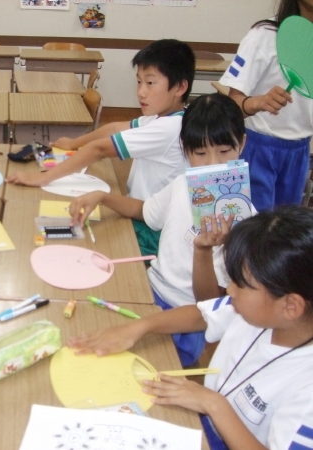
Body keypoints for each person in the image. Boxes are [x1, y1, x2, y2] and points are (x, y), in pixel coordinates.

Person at [69, 206, 313, 450]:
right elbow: (201, 315)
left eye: (240, 284)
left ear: (291, 306)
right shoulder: (261, 311)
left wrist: (214, 404)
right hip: (203, 417)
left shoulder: (307, 392)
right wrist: (138, 327)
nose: (229, 290)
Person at [68, 94, 246, 367]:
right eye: (200, 153)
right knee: (84, 331)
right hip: (149, 291)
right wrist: (102, 197)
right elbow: (145, 211)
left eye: (224, 151)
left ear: (241, 144)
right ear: (185, 149)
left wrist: (203, 249)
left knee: (125, 368)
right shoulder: (182, 184)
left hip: (185, 320)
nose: (213, 164)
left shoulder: (244, 221)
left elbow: (209, 305)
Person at [6, 39, 195, 256]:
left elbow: (100, 150)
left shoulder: (169, 128)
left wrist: (44, 178)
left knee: (77, 243)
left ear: (180, 87)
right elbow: (114, 128)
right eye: (139, 81)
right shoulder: (164, 118)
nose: (141, 92)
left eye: (150, 83)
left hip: (151, 229)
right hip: (138, 209)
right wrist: (75, 143)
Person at [219, 0, 313, 211]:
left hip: (299, 152)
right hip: (257, 147)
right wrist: (257, 103)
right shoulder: (264, 35)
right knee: (252, 225)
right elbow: (230, 106)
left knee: (284, 226)